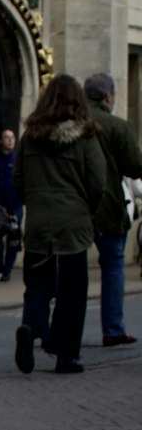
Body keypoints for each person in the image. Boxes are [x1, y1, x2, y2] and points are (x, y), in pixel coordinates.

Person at [12, 74, 106, 375]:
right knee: (73, 291)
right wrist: (87, 209)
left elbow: (17, 178)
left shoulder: (30, 135)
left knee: (37, 285)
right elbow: (97, 182)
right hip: (74, 222)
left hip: (39, 221)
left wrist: (33, 203)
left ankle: (30, 327)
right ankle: (67, 355)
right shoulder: (87, 135)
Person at [82, 72, 142, 347]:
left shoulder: (72, 123)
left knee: (68, 267)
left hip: (74, 205)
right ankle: (113, 328)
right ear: (108, 97)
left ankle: (52, 328)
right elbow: (133, 166)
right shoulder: (117, 125)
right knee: (113, 265)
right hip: (108, 204)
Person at [0, 127, 22, 280]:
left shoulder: (18, 159)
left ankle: (7, 270)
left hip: (15, 204)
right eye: (7, 137)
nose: (10, 140)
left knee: (13, 238)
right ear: (0, 140)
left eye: (12, 137)